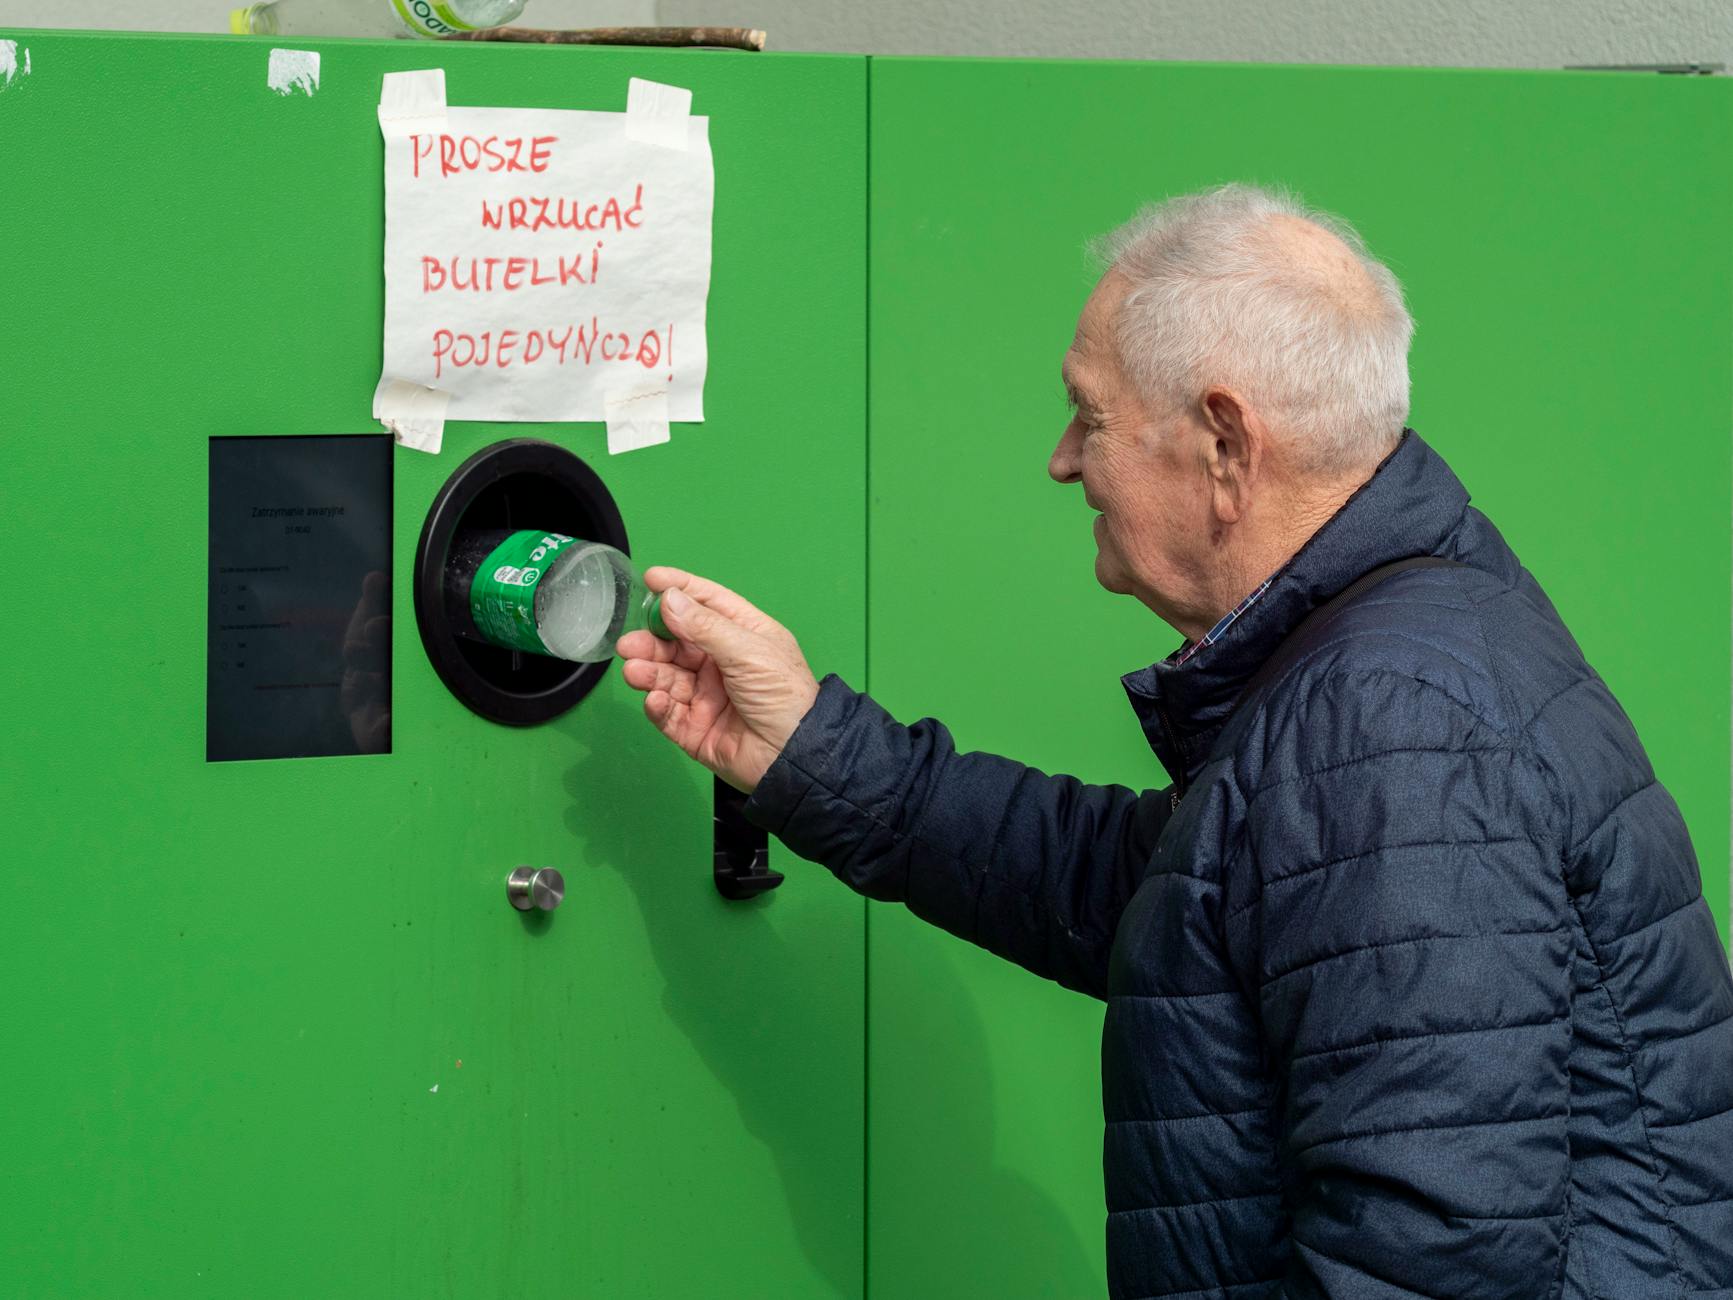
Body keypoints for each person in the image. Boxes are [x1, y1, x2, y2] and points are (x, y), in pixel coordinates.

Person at [615, 183, 1733, 1299]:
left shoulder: (1391, 724)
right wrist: (807, 743)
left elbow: (1430, 1261)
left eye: (1090, 417)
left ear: (1223, 442)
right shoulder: (1380, 659)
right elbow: (1152, 888)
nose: (1063, 459)